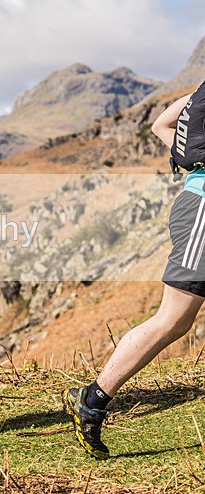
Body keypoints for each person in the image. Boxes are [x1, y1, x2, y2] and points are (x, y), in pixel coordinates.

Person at [63, 84, 205, 459]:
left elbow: (162, 124)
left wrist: (191, 161)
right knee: (173, 320)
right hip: (202, 215)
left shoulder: (200, 93)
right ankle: (92, 400)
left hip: (196, 201)